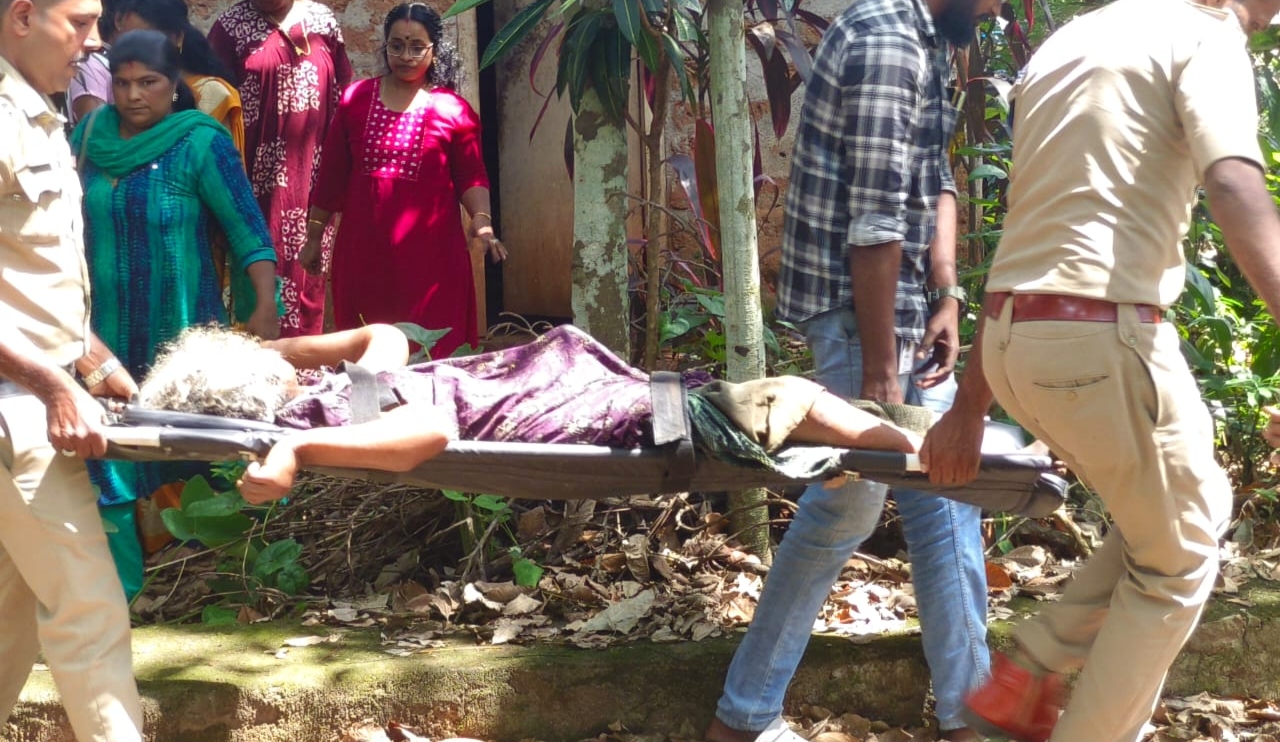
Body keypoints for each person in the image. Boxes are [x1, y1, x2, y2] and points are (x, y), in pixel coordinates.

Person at [921, 0, 1280, 742]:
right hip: (1100, 338)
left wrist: (972, 402)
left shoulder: (1071, 42)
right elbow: (1233, 184)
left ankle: (1028, 674)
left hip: (1017, 341)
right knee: (1178, 566)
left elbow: (1031, 231)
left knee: (1195, 504)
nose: (1252, 38)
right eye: (1256, 20)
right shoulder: (1204, 33)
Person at [708, 0, 1042, 742]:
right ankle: (745, 716)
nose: (999, 10)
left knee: (942, 493)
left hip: (902, 306)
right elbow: (873, 226)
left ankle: (965, 715)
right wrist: (882, 379)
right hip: (858, 314)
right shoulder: (888, 39)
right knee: (855, 503)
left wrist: (947, 292)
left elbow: (933, 175)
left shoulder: (926, 34)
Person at [135, 323, 926, 506]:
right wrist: (298, 449)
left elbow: (387, 343)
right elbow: (427, 427)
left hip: (571, 392)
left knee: (787, 406)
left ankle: (909, 438)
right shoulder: (325, 416)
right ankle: (913, 448)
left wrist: (282, 349)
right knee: (788, 400)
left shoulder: (337, 396)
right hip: (578, 408)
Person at [71, 29, 279, 598]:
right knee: (107, 455)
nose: (133, 95)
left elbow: (247, 230)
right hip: (101, 339)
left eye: (149, 82)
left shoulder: (199, 141)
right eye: (121, 83)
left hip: (182, 339)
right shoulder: (88, 137)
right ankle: (120, 594)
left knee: (199, 448)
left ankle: (222, 581)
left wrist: (265, 305)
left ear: (174, 83)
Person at [0, 0, 144, 740]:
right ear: (23, 16)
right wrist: (52, 382)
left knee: (9, 619)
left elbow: (23, 266)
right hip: (16, 409)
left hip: (33, 394)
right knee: (90, 611)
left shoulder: (36, 109)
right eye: (81, 23)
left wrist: (85, 352)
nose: (95, 43)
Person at [301, 2, 505, 359]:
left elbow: (471, 175)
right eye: (396, 46)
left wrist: (483, 223)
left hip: (431, 261)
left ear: (434, 50)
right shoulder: (355, 100)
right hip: (364, 256)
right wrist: (314, 238)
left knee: (432, 352)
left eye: (416, 47)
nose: (406, 56)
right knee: (367, 348)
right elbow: (332, 176)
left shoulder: (453, 110)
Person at [208, 0, 352, 336]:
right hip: (254, 175)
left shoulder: (322, 21)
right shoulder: (231, 28)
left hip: (314, 174)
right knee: (260, 260)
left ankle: (306, 359)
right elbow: (202, 92)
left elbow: (343, 89)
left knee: (310, 266)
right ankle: (262, 354)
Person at [116, 0, 246, 158]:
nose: (135, 50)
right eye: (127, 40)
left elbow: (218, 166)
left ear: (177, 38)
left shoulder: (211, 95)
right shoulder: (122, 89)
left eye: (147, 39)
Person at [67, 0, 141, 124]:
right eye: (145, 19)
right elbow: (95, 130)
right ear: (119, 20)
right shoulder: (91, 64)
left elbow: (174, 98)